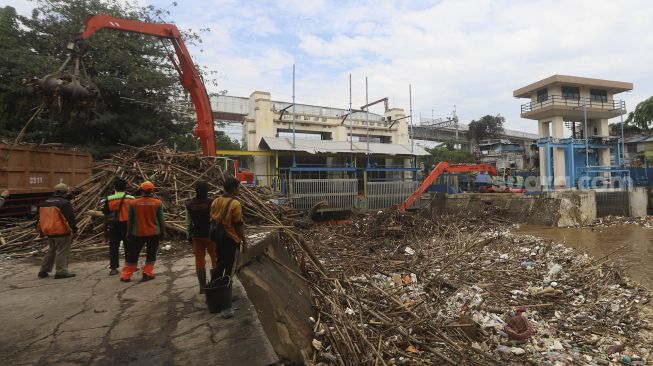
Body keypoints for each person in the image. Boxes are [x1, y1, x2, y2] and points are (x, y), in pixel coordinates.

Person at [210, 177, 247, 318]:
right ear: (233, 189)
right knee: (229, 271)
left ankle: (214, 296)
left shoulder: (215, 201)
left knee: (219, 266)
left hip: (218, 239)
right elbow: (238, 225)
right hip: (231, 240)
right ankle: (225, 306)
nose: (239, 190)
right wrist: (244, 241)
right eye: (238, 187)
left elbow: (212, 220)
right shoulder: (235, 204)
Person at [120, 181, 165, 283]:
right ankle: (147, 274)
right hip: (154, 233)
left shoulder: (134, 203)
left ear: (141, 190)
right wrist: (163, 232)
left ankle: (126, 276)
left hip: (137, 233)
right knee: (151, 253)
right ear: (152, 191)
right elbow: (161, 220)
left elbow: (130, 220)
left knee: (133, 254)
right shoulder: (157, 203)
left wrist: (128, 232)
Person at [36, 183, 77, 279]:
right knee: (62, 251)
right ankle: (61, 271)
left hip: (49, 231)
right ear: (65, 193)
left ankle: (43, 270)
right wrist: (74, 230)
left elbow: (40, 219)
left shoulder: (45, 202)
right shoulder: (64, 203)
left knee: (51, 251)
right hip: (61, 232)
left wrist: (41, 232)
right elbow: (70, 218)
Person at [186, 181, 217, 294]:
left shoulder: (189, 205)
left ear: (195, 190)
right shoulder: (211, 203)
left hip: (196, 235)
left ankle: (202, 286)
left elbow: (188, 223)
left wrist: (189, 235)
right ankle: (215, 283)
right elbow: (215, 219)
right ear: (207, 190)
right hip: (210, 235)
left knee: (199, 260)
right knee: (215, 258)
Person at [102, 179, 135, 276]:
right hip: (127, 225)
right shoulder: (131, 198)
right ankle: (129, 266)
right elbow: (135, 214)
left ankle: (113, 268)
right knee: (129, 246)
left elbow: (106, 215)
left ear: (114, 187)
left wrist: (105, 230)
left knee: (113, 247)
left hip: (113, 225)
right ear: (125, 187)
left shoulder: (109, 199)